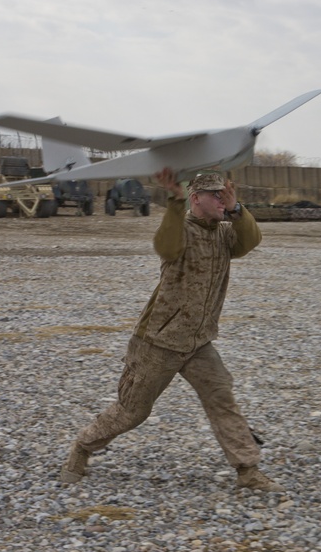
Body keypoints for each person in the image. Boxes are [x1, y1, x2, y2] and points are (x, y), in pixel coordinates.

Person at [59, 168, 283, 492]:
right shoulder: (181, 231)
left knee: (222, 398)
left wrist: (236, 210)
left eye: (225, 193)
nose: (222, 199)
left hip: (198, 343)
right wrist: (175, 203)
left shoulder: (224, 233)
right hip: (158, 342)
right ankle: (82, 447)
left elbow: (250, 241)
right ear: (195, 198)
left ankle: (248, 470)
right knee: (132, 411)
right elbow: (166, 245)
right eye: (215, 195)